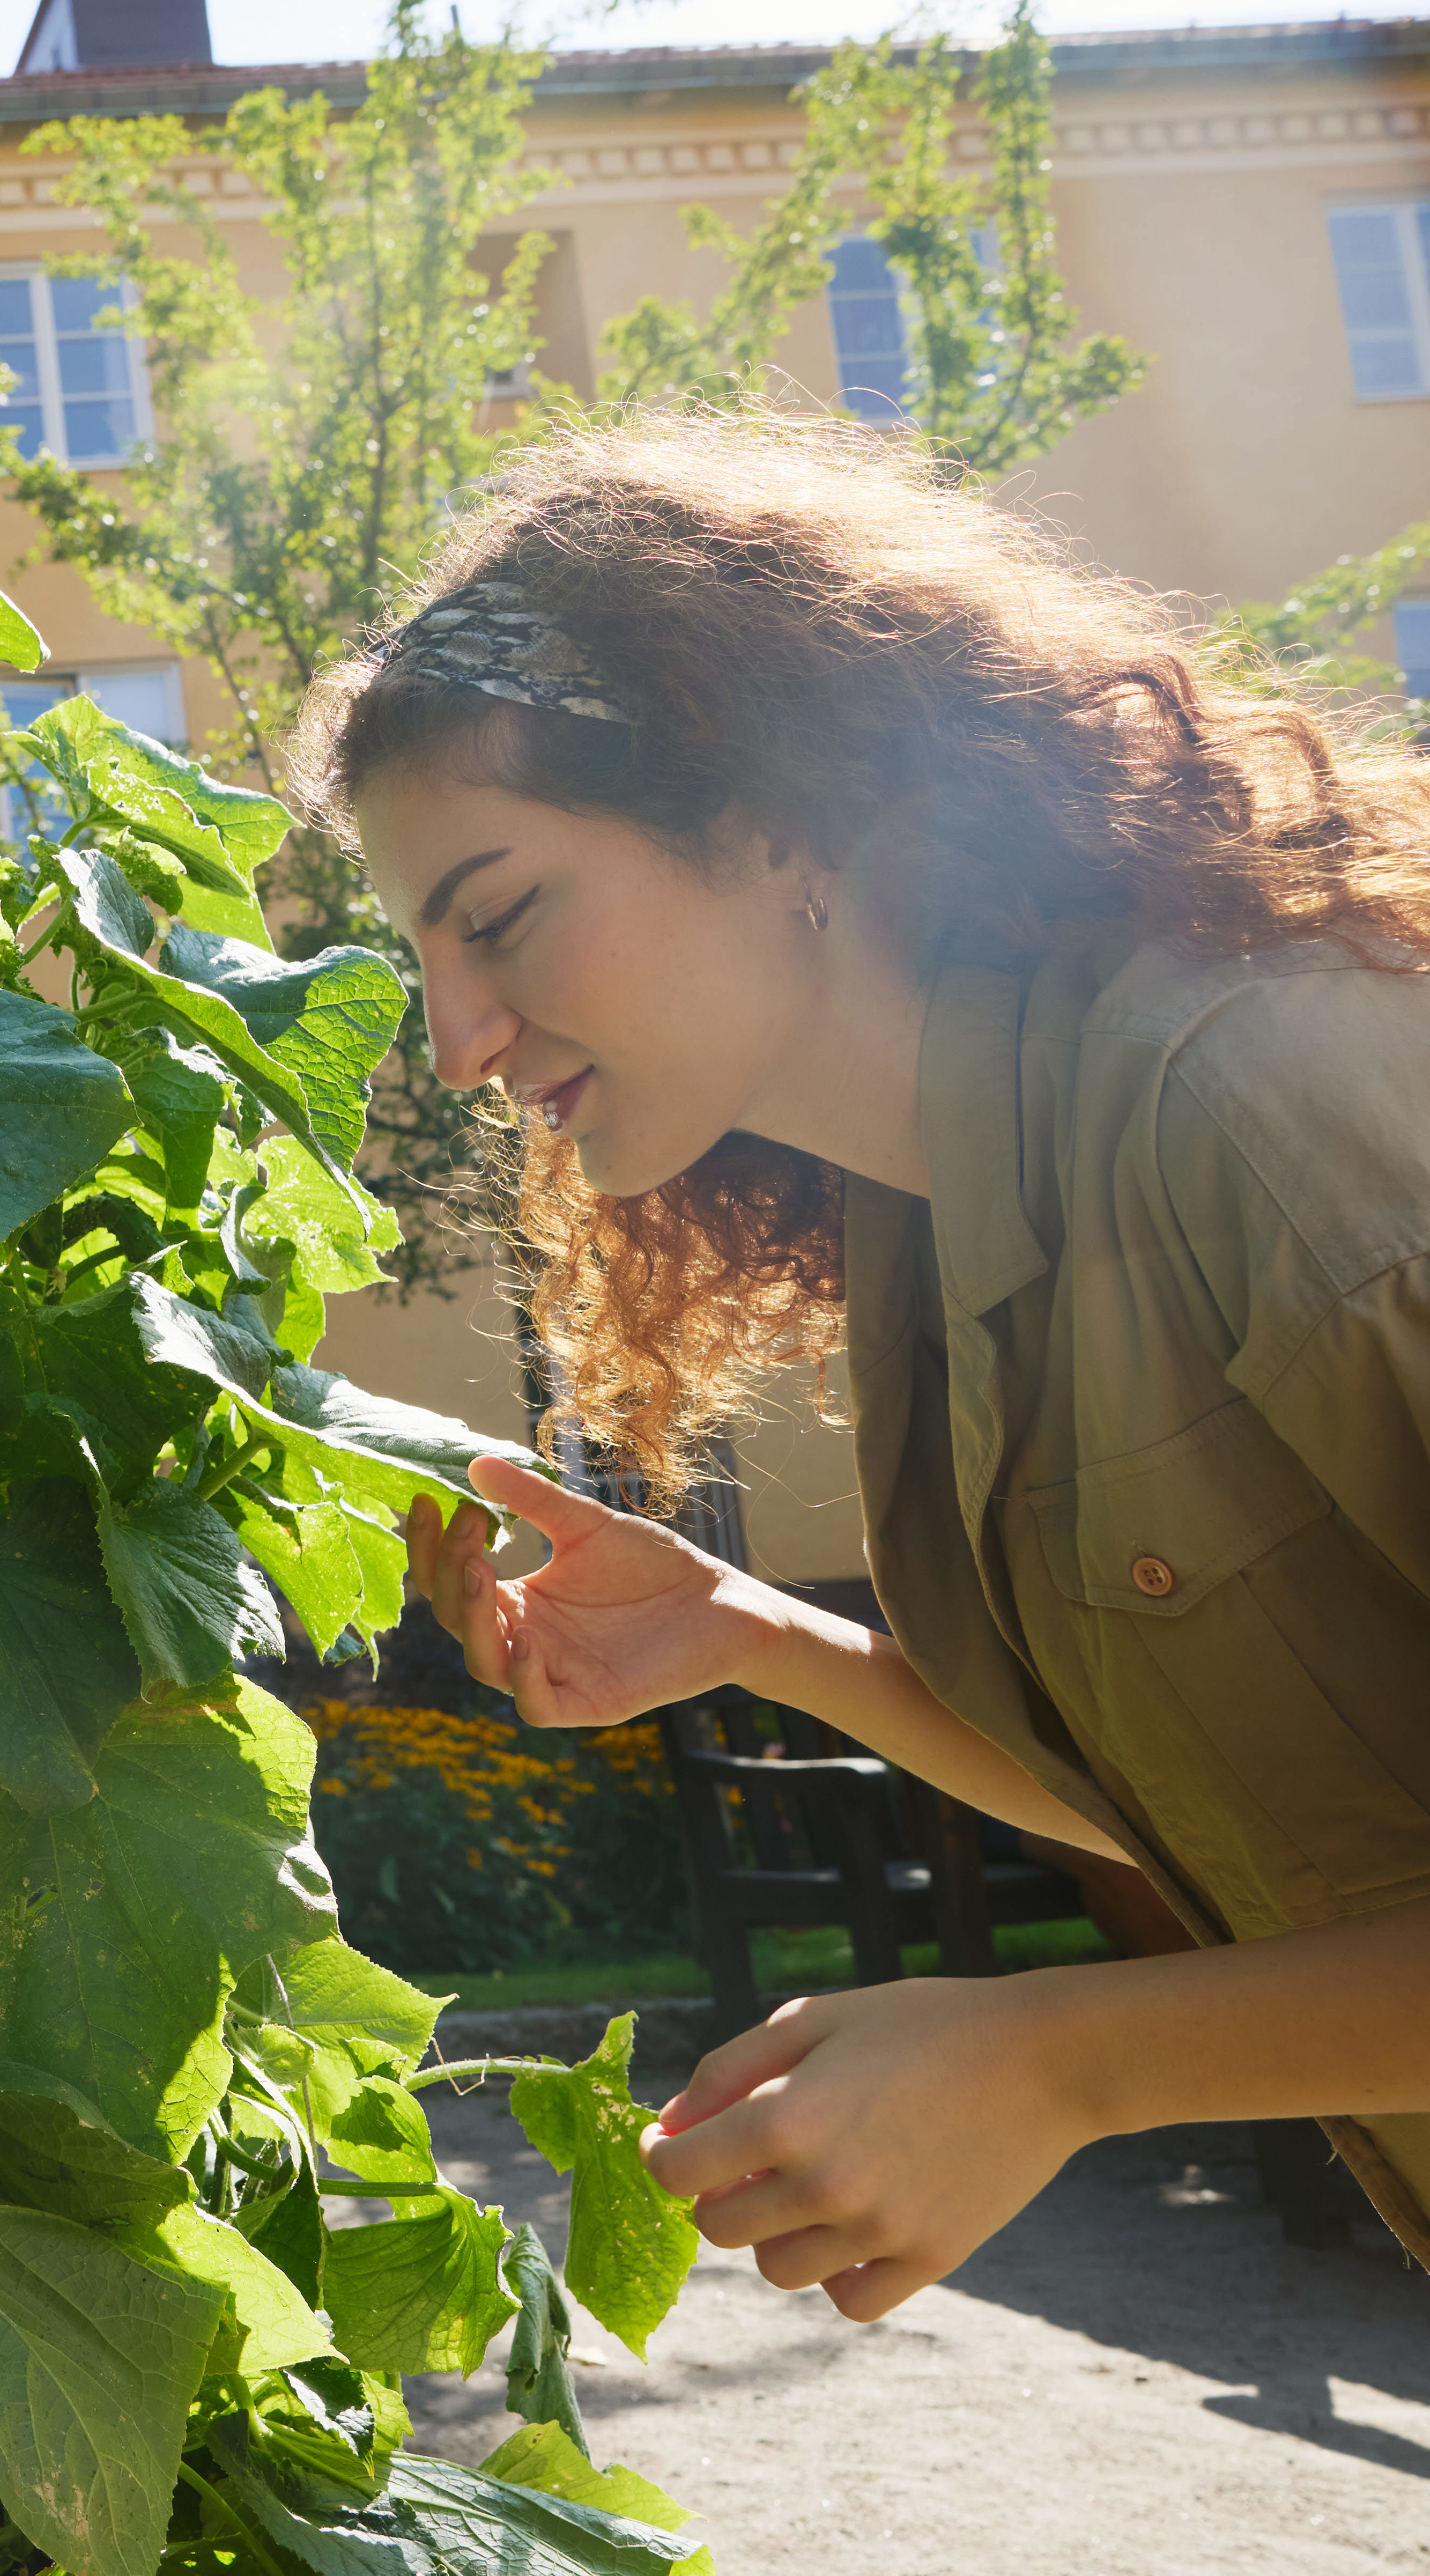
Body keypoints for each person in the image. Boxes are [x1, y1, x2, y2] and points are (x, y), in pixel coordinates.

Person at [302, 418, 1430, 2322]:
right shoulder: (930, 1215)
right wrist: (750, 1632)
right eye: (429, 960)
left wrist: (1062, 2059)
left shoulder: (1263, 1108)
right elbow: (1277, 1816)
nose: (461, 1040)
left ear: (769, 816)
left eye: (498, 917)